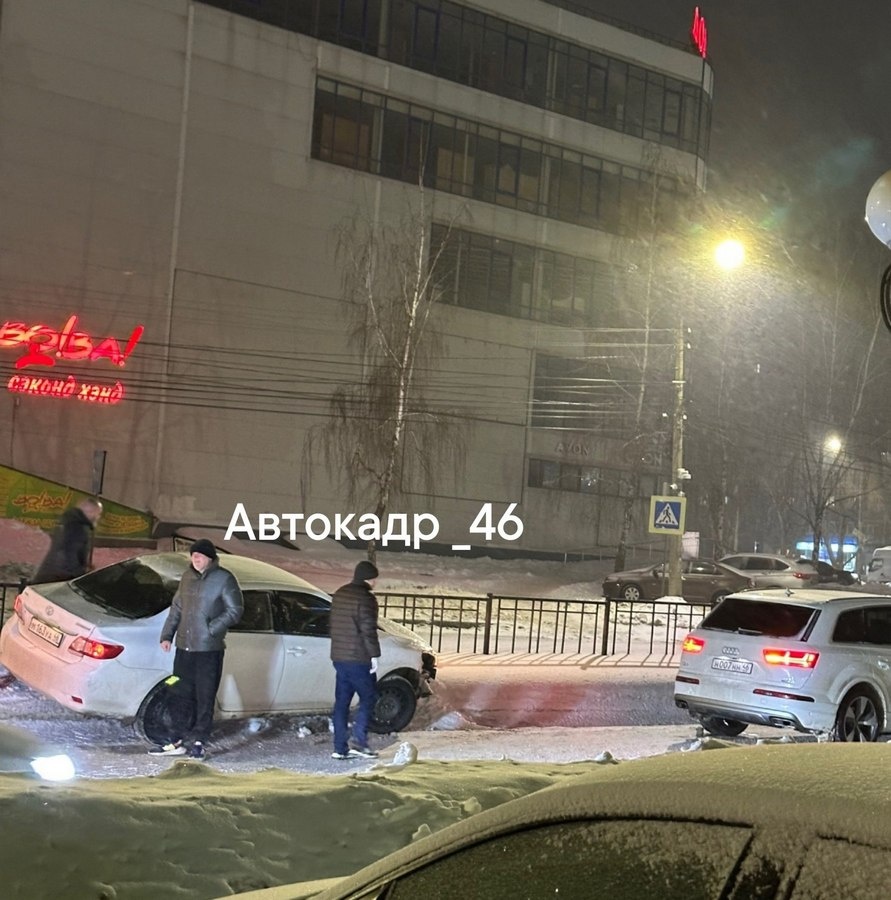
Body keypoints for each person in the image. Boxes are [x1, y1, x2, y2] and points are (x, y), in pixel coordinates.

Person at [150, 539, 243, 760]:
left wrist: (211, 629)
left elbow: (235, 610)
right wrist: (167, 635)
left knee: (205, 697)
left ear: (210, 558)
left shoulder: (224, 579)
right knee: (178, 693)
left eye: (199, 555)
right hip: (184, 649)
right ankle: (176, 740)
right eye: (193, 555)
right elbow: (177, 608)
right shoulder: (187, 577)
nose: (195, 559)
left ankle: (199, 742)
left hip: (208, 652)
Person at [329, 560, 381, 760]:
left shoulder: (340, 593)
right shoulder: (366, 598)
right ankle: (359, 742)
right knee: (369, 698)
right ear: (369, 578)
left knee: (342, 702)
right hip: (359, 658)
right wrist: (374, 655)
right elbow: (368, 630)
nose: (375, 582)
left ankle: (339, 747)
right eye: (374, 578)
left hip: (339, 656)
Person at [31, 497, 103, 584]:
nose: (98, 517)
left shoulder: (67, 522)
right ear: (91, 511)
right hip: (59, 579)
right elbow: (69, 555)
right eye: (98, 513)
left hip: (49, 575)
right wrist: (81, 573)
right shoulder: (78, 528)